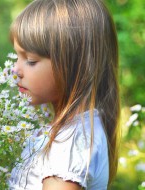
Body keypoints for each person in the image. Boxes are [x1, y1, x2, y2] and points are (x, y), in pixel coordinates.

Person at [8, 0, 120, 189]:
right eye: (17, 56)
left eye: (31, 60)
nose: (15, 70)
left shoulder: (70, 142)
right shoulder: (73, 132)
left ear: (74, 66)